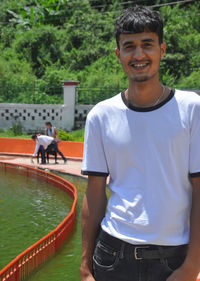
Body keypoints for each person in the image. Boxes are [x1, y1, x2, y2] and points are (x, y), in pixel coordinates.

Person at [81, 6, 200, 281]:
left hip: (174, 259)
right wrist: (86, 267)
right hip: (112, 256)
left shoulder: (192, 109)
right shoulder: (101, 115)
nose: (138, 55)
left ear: (162, 49)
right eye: (129, 46)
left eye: (147, 44)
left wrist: (192, 265)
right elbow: (95, 192)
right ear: (118, 54)